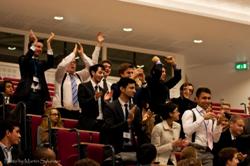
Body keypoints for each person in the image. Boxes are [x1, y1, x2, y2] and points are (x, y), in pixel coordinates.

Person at [53, 32, 104, 119]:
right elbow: (61, 66)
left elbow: (92, 67)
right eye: (70, 62)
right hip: (61, 111)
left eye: (74, 62)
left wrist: (82, 55)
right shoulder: (60, 76)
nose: (73, 64)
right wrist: (73, 53)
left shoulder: (79, 76)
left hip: (77, 113)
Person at [13, 30, 55, 115]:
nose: (39, 49)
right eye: (37, 46)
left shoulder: (41, 63)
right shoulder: (23, 59)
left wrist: (48, 44)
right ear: (31, 47)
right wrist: (34, 41)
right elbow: (26, 59)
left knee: (38, 119)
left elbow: (50, 63)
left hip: (39, 96)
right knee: (25, 118)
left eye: (41, 47)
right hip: (27, 94)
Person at [182, 87, 225, 166]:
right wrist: (203, 118)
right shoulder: (189, 113)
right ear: (196, 99)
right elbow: (187, 131)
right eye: (204, 98)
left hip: (208, 152)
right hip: (193, 150)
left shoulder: (212, 117)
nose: (207, 101)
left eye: (209, 98)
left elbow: (215, 139)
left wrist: (218, 125)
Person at [103, 77, 140, 153]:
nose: (134, 91)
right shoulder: (110, 107)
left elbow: (138, 130)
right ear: (122, 89)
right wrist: (127, 122)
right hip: (115, 147)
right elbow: (109, 130)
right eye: (131, 88)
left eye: (135, 88)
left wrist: (144, 122)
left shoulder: (135, 108)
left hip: (132, 147)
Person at [146, 56, 181, 124]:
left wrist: (173, 64)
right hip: (155, 117)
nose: (164, 73)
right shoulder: (152, 83)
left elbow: (177, 77)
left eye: (165, 72)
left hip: (165, 117)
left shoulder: (164, 85)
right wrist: (158, 61)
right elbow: (156, 74)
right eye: (162, 72)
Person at [78, 64, 112, 132]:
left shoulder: (103, 90)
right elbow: (82, 104)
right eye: (100, 72)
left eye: (103, 73)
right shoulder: (83, 86)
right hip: (88, 123)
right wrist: (94, 98)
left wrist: (106, 102)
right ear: (93, 73)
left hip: (102, 123)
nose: (102, 75)